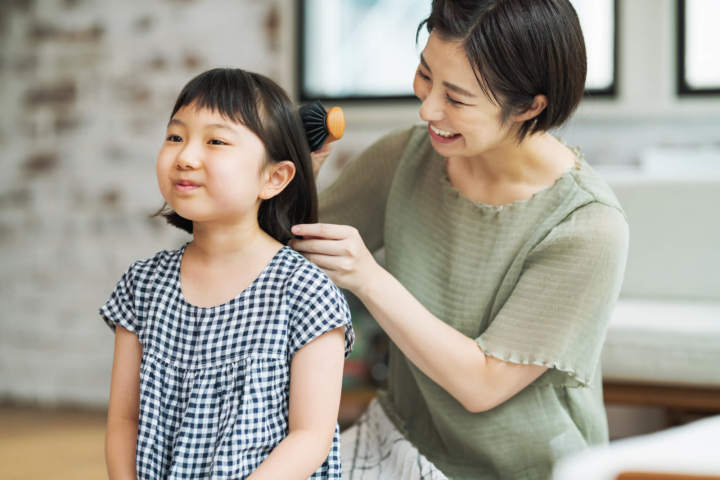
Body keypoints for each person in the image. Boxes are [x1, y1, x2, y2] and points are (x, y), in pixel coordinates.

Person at [287, 1, 629, 479]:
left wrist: (368, 278)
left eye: (458, 98)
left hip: (530, 469)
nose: (428, 108)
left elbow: (482, 384)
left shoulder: (587, 226)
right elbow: (284, 254)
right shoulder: (405, 156)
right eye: (425, 75)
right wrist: (295, 181)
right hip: (402, 446)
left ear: (530, 106)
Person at [99, 68, 354, 480]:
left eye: (215, 141)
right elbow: (124, 419)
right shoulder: (142, 286)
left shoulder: (305, 292)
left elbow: (311, 436)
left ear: (274, 178)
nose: (185, 156)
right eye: (175, 136)